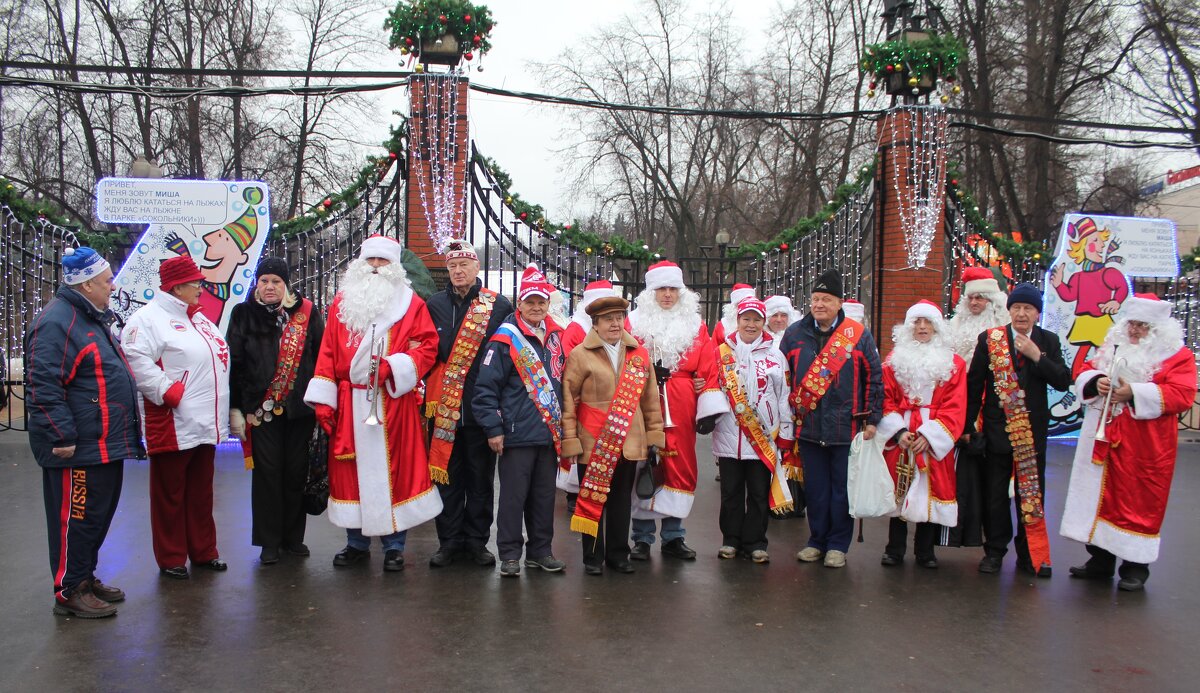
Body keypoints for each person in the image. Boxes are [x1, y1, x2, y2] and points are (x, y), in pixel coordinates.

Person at [303, 235, 442, 573]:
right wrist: (324, 399)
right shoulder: (342, 303)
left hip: (393, 402)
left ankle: (395, 546)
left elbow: (427, 346)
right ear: (361, 264)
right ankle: (356, 543)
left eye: (383, 262)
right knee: (350, 473)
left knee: (399, 471)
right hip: (350, 401)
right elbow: (328, 352)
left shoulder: (411, 304)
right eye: (371, 261)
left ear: (394, 266)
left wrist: (394, 367)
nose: (377, 268)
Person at [25, 247, 140, 617]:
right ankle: (69, 589)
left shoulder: (88, 317)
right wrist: (61, 435)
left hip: (102, 443)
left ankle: (84, 576)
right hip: (76, 448)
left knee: (94, 517)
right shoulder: (57, 322)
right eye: (107, 280)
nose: (112, 285)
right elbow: (43, 384)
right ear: (87, 283)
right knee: (73, 520)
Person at [1060, 294, 1198, 591]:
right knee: (1099, 495)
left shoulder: (1177, 356)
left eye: (1143, 325)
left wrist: (1133, 392)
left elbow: (1182, 394)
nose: (1135, 330)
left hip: (1146, 443)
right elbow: (1086, 370)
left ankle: (1135, 567)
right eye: (1132, 323)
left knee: (1137, 500)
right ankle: (1100, 559)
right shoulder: (1113, 345)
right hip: (1103, 433)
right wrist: (1096, 381)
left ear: (1158, 328)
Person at [123, 254, 231, 580]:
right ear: (177, 286)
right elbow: (135, 357)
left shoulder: (199, 318)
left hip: (205, 421)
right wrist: (166, 391)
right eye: (195, 282)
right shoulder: (147, 319)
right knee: (169, 494)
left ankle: (203, 551)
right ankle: (171, 557)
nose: (201, 286)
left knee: (201, 493)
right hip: (174, 420)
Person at [965, 282, 1072, 577]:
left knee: (1031, 495)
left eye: (1028, 308)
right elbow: (974, 386)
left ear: (1037, 313)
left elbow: (1064, 380)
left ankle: (1031, 554)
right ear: (1009, 310)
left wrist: (1038, 356)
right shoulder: (990, 340)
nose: (1021, 314)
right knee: (995, 495)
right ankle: (995, 551)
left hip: (1031, 434)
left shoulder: (1047, 341)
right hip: (998, 432)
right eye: (1016, 308)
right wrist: (967, 426)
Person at [225, 257, 325, 565]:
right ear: (258, 283)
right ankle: (268, 542)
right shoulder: (243, 314)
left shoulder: (306, 313)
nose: (270, 287)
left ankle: (293, 538)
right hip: (260, 412)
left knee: (295, 472)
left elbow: (321, 357)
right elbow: (235, 364)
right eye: (265, 280)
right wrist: (236, 408)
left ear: (286, 285)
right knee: (268, 474)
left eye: (276, 282)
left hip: (300, 411)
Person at [780, 269, 883, 569]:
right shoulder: (795, 334)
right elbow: (780, 376)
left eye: (826, 299)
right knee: (816, 489)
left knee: (842, 489)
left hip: (846, 428)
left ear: (840, 303)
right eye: (815, 299)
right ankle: (816, 541)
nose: (819, 304)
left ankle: (838, 544)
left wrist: (872, 419)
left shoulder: (858, 336)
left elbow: (874, 379)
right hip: (809, 426)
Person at [628, 261, 728, 561]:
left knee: (680, 464)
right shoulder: (634, 322)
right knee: (643, 464)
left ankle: (674, 536)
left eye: (673, 289)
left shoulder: (695, 325)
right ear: (651, 292)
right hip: (643, 399)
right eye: (662, 289)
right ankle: (642, 539)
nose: (668, 295)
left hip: (682, 401)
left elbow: (709, 364)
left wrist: (706, 403)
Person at [474, 264, 567, 577]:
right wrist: (494, 428)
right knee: (513, 499)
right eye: (531, 302)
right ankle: (510, 554)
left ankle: (541, 551)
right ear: (520, 304)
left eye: (542, 301)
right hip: (515, 434)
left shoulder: (557, 337)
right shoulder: (504, 340)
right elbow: (485, 389)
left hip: (548, 433)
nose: (537, 307)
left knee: (543, 498)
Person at [424, 239, 512, 568]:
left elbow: (505, 355)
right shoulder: (433, 305)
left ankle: (476, 542)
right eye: (452, 266)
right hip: (444, 407)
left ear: (476, 268)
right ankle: (448, 542)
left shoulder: (498, 306)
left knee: (480, 481)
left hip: (480, 407)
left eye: (464, 265)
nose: (458, 271)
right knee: (446, 479)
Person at [562, 295, 665, 576]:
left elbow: (650, 400)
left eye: (619, 318)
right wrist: (569, 439)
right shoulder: (580, 355)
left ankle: (619, 554)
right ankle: (592, 557)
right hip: (593, 440)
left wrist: (654, 435)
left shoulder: (639, 354)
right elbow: (569, 401)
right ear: (595, 324)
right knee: (593, 498)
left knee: (621, 500)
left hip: (629, 441)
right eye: (608, 319)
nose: (615, 324)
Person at [875, 301, 967, 569]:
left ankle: (925, 551)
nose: (922, 327)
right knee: (900, 488)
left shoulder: (954, 364)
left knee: (930, 488)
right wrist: (899, 430)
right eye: (917, 322)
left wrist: (930, 435)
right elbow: (886, 399)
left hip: (932, 433)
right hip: (902, 432)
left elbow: (956, 405)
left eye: (928, 322)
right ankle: (894, 549)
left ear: (937, 327)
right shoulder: (893, 361)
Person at [712, 296, 794, 563]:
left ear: (764, 322)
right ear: (737, 320)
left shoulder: (775, 356)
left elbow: (784, 396)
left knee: (759, 493)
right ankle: (730, 540)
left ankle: (756, 542)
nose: (751, 324)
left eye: (756, 319)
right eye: (746, 318)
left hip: (763, 437)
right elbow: (711, 391)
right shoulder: (722, 353)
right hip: (728, 436)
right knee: (731, 493)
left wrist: (785, 433)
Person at [943, 266, 1009, 548]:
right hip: (959, 407)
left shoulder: (1003, 330)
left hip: (994, 411)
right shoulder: (953, 328)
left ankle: (992, 536)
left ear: (992, 301)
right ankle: (963, 530)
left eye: (980, 298)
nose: (974, 303)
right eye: (971, 298)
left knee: (994, 478)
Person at [764, 293, 805, 518]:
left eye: (783, 315)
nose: (779, 319)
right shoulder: (762, 341)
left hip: (794, 403)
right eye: (775, 315)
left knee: (793, 455)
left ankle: (795, 503)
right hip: (770, 408)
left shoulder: (797, 338)